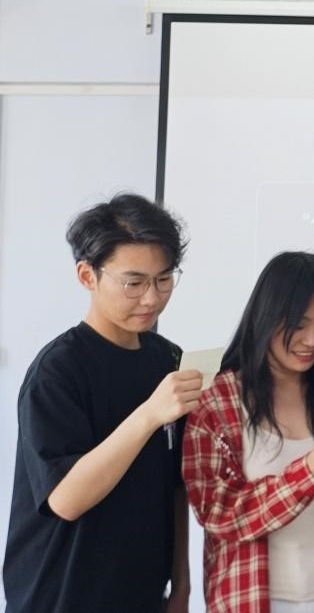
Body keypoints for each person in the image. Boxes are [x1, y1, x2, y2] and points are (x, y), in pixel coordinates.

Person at [3, 192, 200, 613]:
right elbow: (66, 499)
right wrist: (150, 414)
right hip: (60, 596)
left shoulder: (167, 358)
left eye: (164, 279)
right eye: (134, 283)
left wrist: (182, 585)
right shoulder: (58, 370)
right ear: (87, 275)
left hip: (141, 594)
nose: (151, 298)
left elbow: (176, 486)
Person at [182, 251, 314, 613]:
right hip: (250, 601)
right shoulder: (216, 402)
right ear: (266, 316)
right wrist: (304, 476)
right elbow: (216, 512)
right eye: (299, 324)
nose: (312, 340)